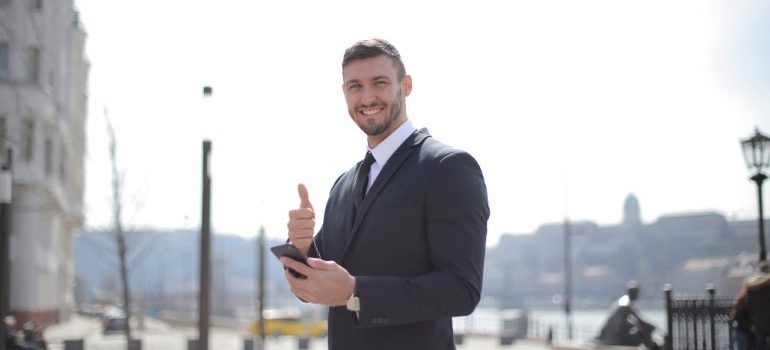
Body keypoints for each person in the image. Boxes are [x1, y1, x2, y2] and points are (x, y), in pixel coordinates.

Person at [280, 38, 490, 350]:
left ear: (405, 86)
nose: (367, 97)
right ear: (344, 94)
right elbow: (318, 288)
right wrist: (300, 250)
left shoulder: (448, 168)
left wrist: (355, 292)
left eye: (379, 83)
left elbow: (461, 290)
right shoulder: (343, 185)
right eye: (355, 86)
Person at [596, 281, 658, 349]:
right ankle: (652, 347)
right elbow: (639, 320)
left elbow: (634, 321)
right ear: (630, 293)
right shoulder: (625, 303)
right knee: (644, 331)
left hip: (611, 335)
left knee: (641, 330)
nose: (637, 295)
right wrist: (652, 326)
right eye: (635, 292)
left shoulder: (622, 301)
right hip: (614, 337)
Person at [746, 261, 770, 350]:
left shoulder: (752, 286)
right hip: (766, 319)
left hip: (758, 320)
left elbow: (748, 304)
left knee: (760, 344)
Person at [732, 285, 755, 350]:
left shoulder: (740, 301)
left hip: (740, 330)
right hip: (747, 331)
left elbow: (735, 316)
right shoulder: (749, 301)